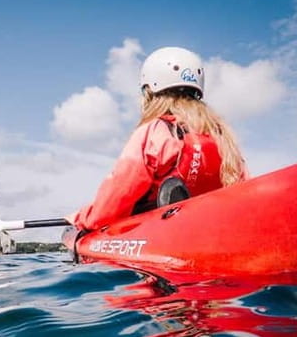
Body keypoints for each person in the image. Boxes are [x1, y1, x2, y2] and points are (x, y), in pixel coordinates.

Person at [68, 46, 248, 231]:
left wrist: (82, 220)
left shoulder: (155, 131)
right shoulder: (223, 137)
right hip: (212, 230)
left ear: (149, 93)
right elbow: (243, 191)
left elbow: (116, 196)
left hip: (159, 233)